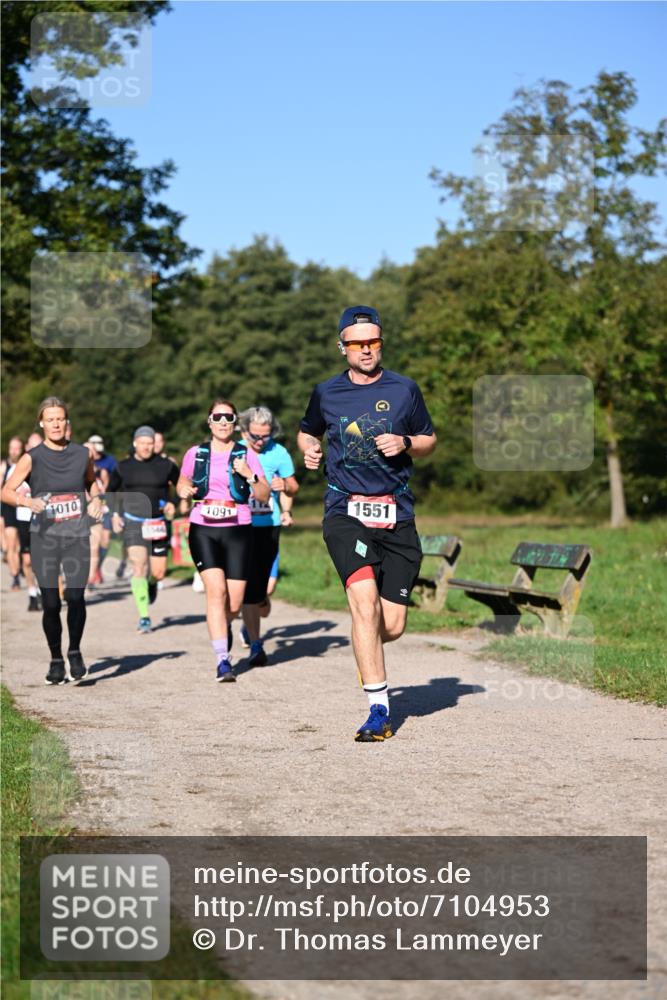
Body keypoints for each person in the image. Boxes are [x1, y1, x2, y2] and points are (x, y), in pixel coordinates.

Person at [297, 305, 437, 742]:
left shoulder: (405, 389)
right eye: (357, 343)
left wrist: (407, 442)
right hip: (345, 511)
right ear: (343, 347)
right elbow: (307, 430)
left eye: (372, 341)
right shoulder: (326, 393)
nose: (365, 350)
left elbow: (430, 440)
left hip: (397, 513)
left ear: (381, 343)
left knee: (390, 625)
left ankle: (366, 646)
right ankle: (379, 710)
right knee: (363, 604)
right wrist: (309, 450)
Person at [1, 397, 105, 684]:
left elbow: (90, 483)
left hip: (76, 535)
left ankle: (74, 651)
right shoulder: (31, 457)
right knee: (50, 603)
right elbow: (5, 491)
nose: (56, 424)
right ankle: (56, 659)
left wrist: (95, 499)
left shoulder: (84, 454)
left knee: (75, 597)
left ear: (66, 422)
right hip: (44, 538)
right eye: (50, 419)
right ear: (42, 423)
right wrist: (26, 501)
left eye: (60, 418)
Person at [177, 398, 270, 682]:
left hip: (238, 528)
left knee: (233, 604)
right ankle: (223, 660)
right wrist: (184, 490)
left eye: (228, 418)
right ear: (209, 422)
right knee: (216, 593)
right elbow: (182, 481)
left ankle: (224, 626)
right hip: (203, 527)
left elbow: (264, 495)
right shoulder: (196, 453)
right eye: (217, 417)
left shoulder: (246, 454)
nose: (222, 423)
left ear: (234, 422)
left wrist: (249, 475)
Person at [238, 406, 299, 665]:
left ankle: (250, 622)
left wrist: (284, 485)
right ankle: (255, 643)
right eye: (255, 436)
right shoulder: (235, 450)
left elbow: (294, 486)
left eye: (265, 436)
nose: (260, 441)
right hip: (239, 524)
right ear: (244, 431)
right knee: (246, 587)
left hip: (268, 525)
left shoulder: (279, 452)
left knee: (264, 590)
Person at [108, 426, 179, 633]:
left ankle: (152, 584)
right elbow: (111, 491)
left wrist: (172, 502)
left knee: (158, 572)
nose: (147, 447)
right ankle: (144, 616)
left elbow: (180, 485)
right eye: (143, 443)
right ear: (135, 443)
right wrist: (114, 515)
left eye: (150, 443)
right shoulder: (123, 467)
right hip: (133, 521)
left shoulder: (165, 465)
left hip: (157, 522)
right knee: (138, 566)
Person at [86, 435, 117, 584]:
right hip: (83, 510)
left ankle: (95, 569)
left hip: (103, 507)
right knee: (91, 545)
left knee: (103, 542)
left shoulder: (103, 470)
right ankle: (90, 572)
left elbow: (109, 489)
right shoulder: (75, 470)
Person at [1, 437, 25, 590]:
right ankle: (15, 577)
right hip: (9, 509)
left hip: (25, 508)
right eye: (11, 448)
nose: (14, 451)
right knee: (11, 544)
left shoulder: (27, 465)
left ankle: (24, 566)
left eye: (17, 448)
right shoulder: (4, 467)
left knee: (21, 546)